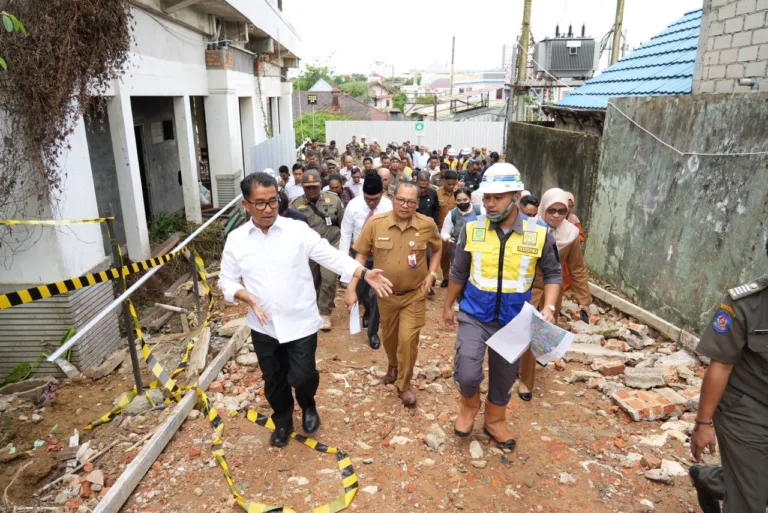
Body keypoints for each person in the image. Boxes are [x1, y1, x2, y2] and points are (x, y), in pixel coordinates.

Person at [219, 172, 392, 447]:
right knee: (274, 381)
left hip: (300, 321)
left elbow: (329, 255)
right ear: (246, 205)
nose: (268, 209)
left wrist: (362, 271)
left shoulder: (296, 230)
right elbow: (225, 280)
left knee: (303, 376)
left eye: (273, 202)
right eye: (261, 203)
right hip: (263, 326)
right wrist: (246, 296)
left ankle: (308, 404)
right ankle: (283, 419)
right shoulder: (237, 240)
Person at [442, 163, 562, 448]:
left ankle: (495, 420)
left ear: (517, 196)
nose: (490, 203)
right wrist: (447, 306)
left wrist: (550, 307)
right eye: (486, 197)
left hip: (515, 320)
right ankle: (469, 407)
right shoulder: (473, 229)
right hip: (475, 314)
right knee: (468, 372)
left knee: (505, 375)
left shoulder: (539, 232)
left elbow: (554, 273)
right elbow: (458, 272)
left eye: (498, 197)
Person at [346, 182, 442, 407]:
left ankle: (404, 384)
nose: (405, 205)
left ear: (417, 203)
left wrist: (432, 274)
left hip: (415, 294)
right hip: (385, 294)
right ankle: (392, 364)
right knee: (389, 337)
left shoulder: (427, 224)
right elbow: (360, 256)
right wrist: (351, 287)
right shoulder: (376, 223)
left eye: (411, 201)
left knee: (407, 340)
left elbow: (437, 248)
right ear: (393, 198)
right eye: (401, 200)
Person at [688, 246, 768, 513]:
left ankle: (709, 479)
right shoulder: (746, 304)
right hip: (747, 409)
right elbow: (720, 366)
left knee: (756, 483)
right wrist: (703, 423)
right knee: (749, 502)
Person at [518, 188, 591, 401]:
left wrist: (584, 300)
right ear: (543, 209)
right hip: (528, 288)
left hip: (553, 292)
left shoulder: (571, 235)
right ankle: (525, 381)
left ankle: (527, 369)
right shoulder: (529, 228)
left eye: (562, 211)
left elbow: (577, 268)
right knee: (526, 332)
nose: (557, 215)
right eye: (552, 210)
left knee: (542, 333)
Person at [339, 174, 393, 350]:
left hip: (380, 254)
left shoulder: (388, 206)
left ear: (382, 193)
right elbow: (346, 234)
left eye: (375, 199)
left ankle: (373, 332)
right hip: (359, 253)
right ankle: (368, 311)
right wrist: (344, 266)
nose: (372, 203)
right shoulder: (353, 206)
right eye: (368, 199)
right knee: (361, 292)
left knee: (376, 294)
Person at [291, 170, 345, 331]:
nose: (312, 190)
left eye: (315, 187)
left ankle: (324, 312)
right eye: (308, 188)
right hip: (309, 249)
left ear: (321, 184)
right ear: (302, 187)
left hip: (330, 246)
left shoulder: (333, 199)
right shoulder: (295, 205)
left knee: (328, 280)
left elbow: (343, 224)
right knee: (311, 281)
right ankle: (312, 309)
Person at [436, 171, 458, 286]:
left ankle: (456, 278)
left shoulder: (459, 193)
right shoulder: (437, 194)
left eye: (453, 184)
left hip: (457, 230)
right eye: (449, 184)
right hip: (442, 230)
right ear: (444, 181)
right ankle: (445, 277)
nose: (451, 187)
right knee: (443, 255)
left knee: (457, 255)